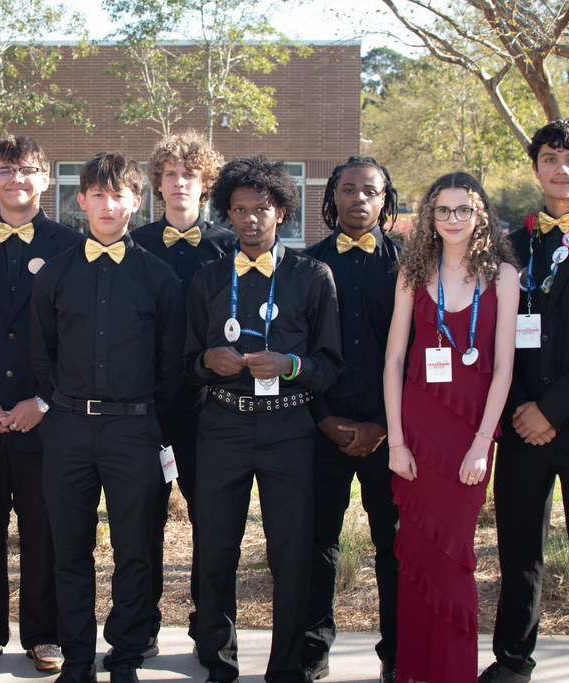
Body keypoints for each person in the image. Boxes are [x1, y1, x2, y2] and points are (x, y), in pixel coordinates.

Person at [185, 155, 344, 683]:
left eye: (262, 208)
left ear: (282, 211)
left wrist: (292, 365)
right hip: (223, 427)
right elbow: (184, 363)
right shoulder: (208, 279)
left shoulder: (312, 276)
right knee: (215, 549)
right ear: (226, 214)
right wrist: (208, 360)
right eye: (239, 210)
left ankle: (286, 668)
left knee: (291, 555)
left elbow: (330, 365)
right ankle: (218, 660)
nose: (251, 218)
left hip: (288, 430)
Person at [30, 151, 185, 683]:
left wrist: (141, 416)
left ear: (136, 202)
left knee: (134, 551)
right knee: (69, 551)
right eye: (97, 194)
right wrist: (65, 406)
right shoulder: (55, 274)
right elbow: (41, 355)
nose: (107, 204)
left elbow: (171, 363)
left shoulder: (159, 278)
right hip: (69, 428)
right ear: (80, 201)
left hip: (134, 429)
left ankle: (124, 656)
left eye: (118, 194)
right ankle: (76, 658)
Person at [479, 118, 569, 683]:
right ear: (536, 168)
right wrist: (522, 409)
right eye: (551, 159)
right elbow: (490, 336)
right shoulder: (508, 245)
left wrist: (552, 410)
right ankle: (513, 659)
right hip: (520, 425)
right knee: (517, 553)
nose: (562, 170)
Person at [0, 135, 81, 672]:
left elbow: (79, 337)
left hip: (43, 421)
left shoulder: (71, 246)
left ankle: (45, 633)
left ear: (45, 179)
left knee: (44, 530)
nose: (15, 179)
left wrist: (43, 402)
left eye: (27, 170)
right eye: (5, 170)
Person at [384, 172, 518, 683]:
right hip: (416, 430)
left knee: (455, 556)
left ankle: (453, 673)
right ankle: (415, 670)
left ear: (480, 213)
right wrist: (395, 441)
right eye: (443, 210)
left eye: (464, 209)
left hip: (470, 435)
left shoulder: (503, 275)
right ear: (430, 217)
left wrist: (484, 443)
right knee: (417, 554)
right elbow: (394, 360)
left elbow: (504, 366)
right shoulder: (412, 271)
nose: (454, 219)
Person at [299, 156, 402, 683]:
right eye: (348, 189)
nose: (359, 198)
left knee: (395, 548)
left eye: (370, 191)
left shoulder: (410, 266)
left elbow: (420, 353)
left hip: (395, 437)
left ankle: (397, 656)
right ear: (332, 197)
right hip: (323, 430)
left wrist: (383, 423)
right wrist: (323, 418)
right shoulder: (305, 266)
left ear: (386, 200)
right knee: (318, 543)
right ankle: (312, 650)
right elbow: (296, 347)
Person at [130, 130, 234, 651]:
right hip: (145, 408)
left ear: (205, 184)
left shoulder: (229, 247)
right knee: (143, 521)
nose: (179, 183)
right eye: (170, 174)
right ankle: (141, 627)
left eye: (189, 175)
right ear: (157, 184)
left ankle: (207, 629)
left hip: (208, 409)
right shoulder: (135, 245)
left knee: (209, 522)